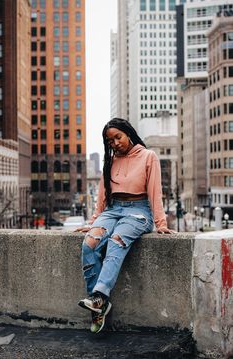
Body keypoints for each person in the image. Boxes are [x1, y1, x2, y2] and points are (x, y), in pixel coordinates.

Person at [76, 118, 172, 333]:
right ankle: (98, 307)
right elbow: (102, 195)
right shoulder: (110, 161)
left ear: (128, 133)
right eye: (110, 141)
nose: (115, 143)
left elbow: (155, 192)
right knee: (89, 244)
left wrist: (161, 223)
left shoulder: (148, 156)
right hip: (112, 210)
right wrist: (93, 223)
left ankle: (99, 298)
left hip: (138, 212)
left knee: (116, 242)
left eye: (117, 137)